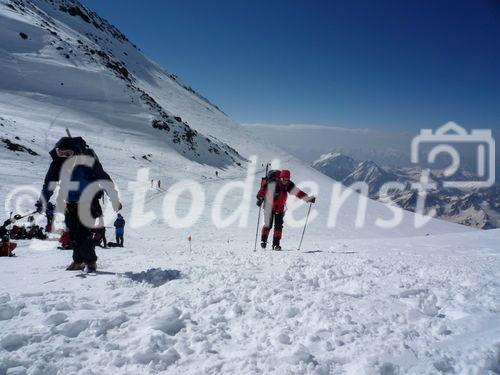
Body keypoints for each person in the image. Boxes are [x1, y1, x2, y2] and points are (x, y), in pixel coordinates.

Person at [36, 136, 122, 271]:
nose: (64, 156)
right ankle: (78, 261)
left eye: (67, 153)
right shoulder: (57, 164)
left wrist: (114, 198)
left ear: (75, 151)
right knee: (73, 235)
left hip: (89, 203)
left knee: (83, 234)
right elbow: (49, 184)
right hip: (70, 204)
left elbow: (104, 179)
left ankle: (90, 261)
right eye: (60, 153)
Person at [256, 169, 315, 250]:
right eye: (284, 179)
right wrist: (260, 198)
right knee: (268, 225)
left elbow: (297, 192)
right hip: (269, 207)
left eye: (287, 179)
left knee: (278, 227)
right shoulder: (272, 183)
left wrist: (307, 198)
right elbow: (263, 190)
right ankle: (263, 241)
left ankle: (276, 245)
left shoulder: (288, 185)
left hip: (280, 208)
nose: (285, 181)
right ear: (280, 178)